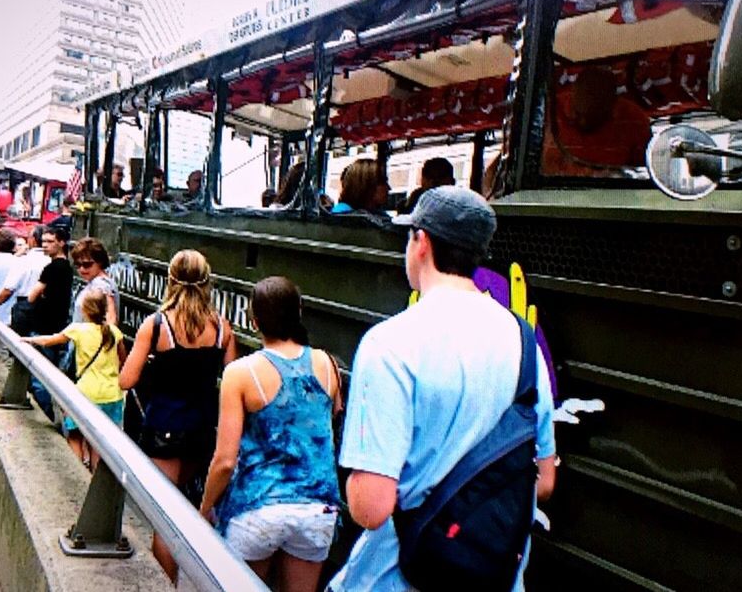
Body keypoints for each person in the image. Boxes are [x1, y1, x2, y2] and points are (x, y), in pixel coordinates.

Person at [328, 186, 556, 592]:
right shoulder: (525, 345)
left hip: (399, 577)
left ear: (422, 242)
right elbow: (543, 481)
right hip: (495, 577)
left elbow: (371, 508)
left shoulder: (390, 344)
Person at [200, 276, 341, 592]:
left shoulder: (240, 373)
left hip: (257, 508)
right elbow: (327, 423)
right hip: (317, 510)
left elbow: (224, 460)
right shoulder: (327, 364)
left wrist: (205, 506)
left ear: (254, 320)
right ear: (299, 312)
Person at [119, 249, 237, 583]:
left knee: (165, 519)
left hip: (164, 429)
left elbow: (126, 380)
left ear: (170, 280)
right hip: (203, 431)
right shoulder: (222, 328)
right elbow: (230, 380)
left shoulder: (157, 324)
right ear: (207, 281)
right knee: (190, 511)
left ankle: (167, 585)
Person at [23, 289, 127, 470]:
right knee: (100, 443)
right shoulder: (114, 332)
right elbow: (123, 361)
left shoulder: (78, 329)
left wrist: (27, 340)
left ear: (85, 310)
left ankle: (78, 474)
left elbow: (50, 341)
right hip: (112, 395)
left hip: (86, 394)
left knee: (75, 435)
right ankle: (95, 478)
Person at [540, 66, 652, 177]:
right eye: (578, 114)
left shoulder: (634, 121)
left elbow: (644, 173)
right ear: (573, 93)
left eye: (593, 116)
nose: (583, 122)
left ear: (612, 105)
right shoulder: (548, 110)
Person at [25, 226, 74, 419]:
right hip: (58, 327)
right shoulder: (68, 268)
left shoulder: (52, 267)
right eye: (43, 241)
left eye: (49, 242)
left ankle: (48, 416)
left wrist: (42, 294)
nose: (44, 246)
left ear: (61, 243)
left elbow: (31, 296)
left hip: (43, 328)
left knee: (39, 377)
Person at [71, 237, 118, 325]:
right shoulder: (96, 282)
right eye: (77, 264)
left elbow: (111, 318)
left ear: (100, 262)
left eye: (87, 264)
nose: (81, 269)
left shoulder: (102, 285)